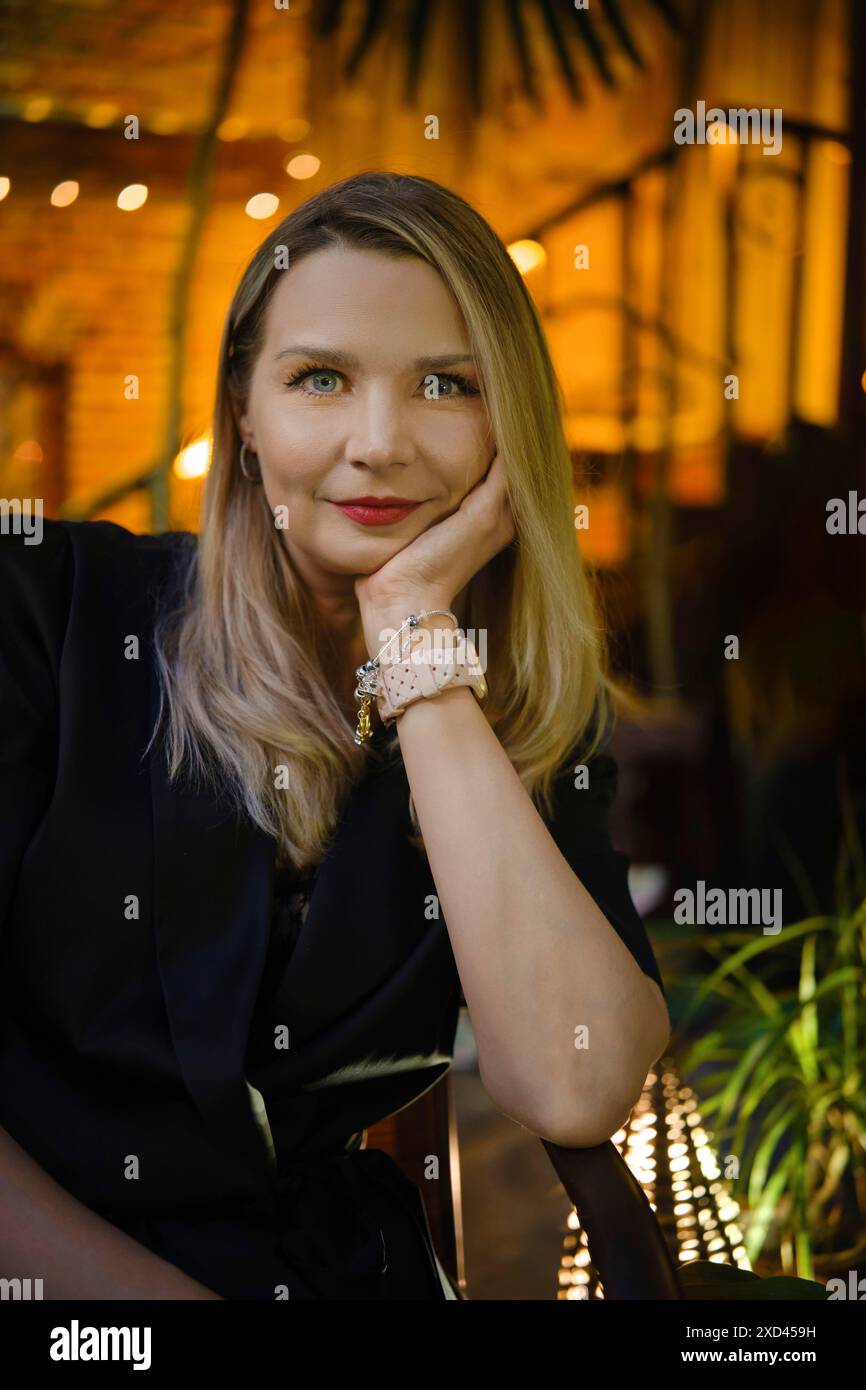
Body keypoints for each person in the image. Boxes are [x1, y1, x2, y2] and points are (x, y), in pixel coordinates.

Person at [0, 170, 669, 1301]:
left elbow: (576, 1083)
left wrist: (415, 640)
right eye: (320, 378)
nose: (379, 443)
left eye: (446, 386)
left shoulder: (524, 705)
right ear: (244, 419)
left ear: (510, 425)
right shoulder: (45, 615)